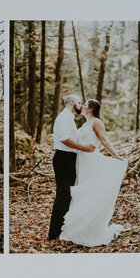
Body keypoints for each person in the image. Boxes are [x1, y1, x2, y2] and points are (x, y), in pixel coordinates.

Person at [59, 99, 128, 246]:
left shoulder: (97, 122)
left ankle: (91, 229)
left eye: (84, 105)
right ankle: (82, 228)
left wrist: (117, 156)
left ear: (90, 109)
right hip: (82, 162)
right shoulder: (85, 123)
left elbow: (104, 140)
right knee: (83, 193)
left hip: (91, 161)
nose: (82, 106)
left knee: (91, 192)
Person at [48, 95, 96, 239]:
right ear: (72, 103)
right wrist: (83, 148)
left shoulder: (69, 118)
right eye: (79, 103)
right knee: (63, 195)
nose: (81, 106)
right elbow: (64, 139)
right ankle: (54, 233)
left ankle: (62, 229)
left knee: (67, 195)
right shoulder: (64, 117)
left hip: (68, 158)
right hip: (64, 158)